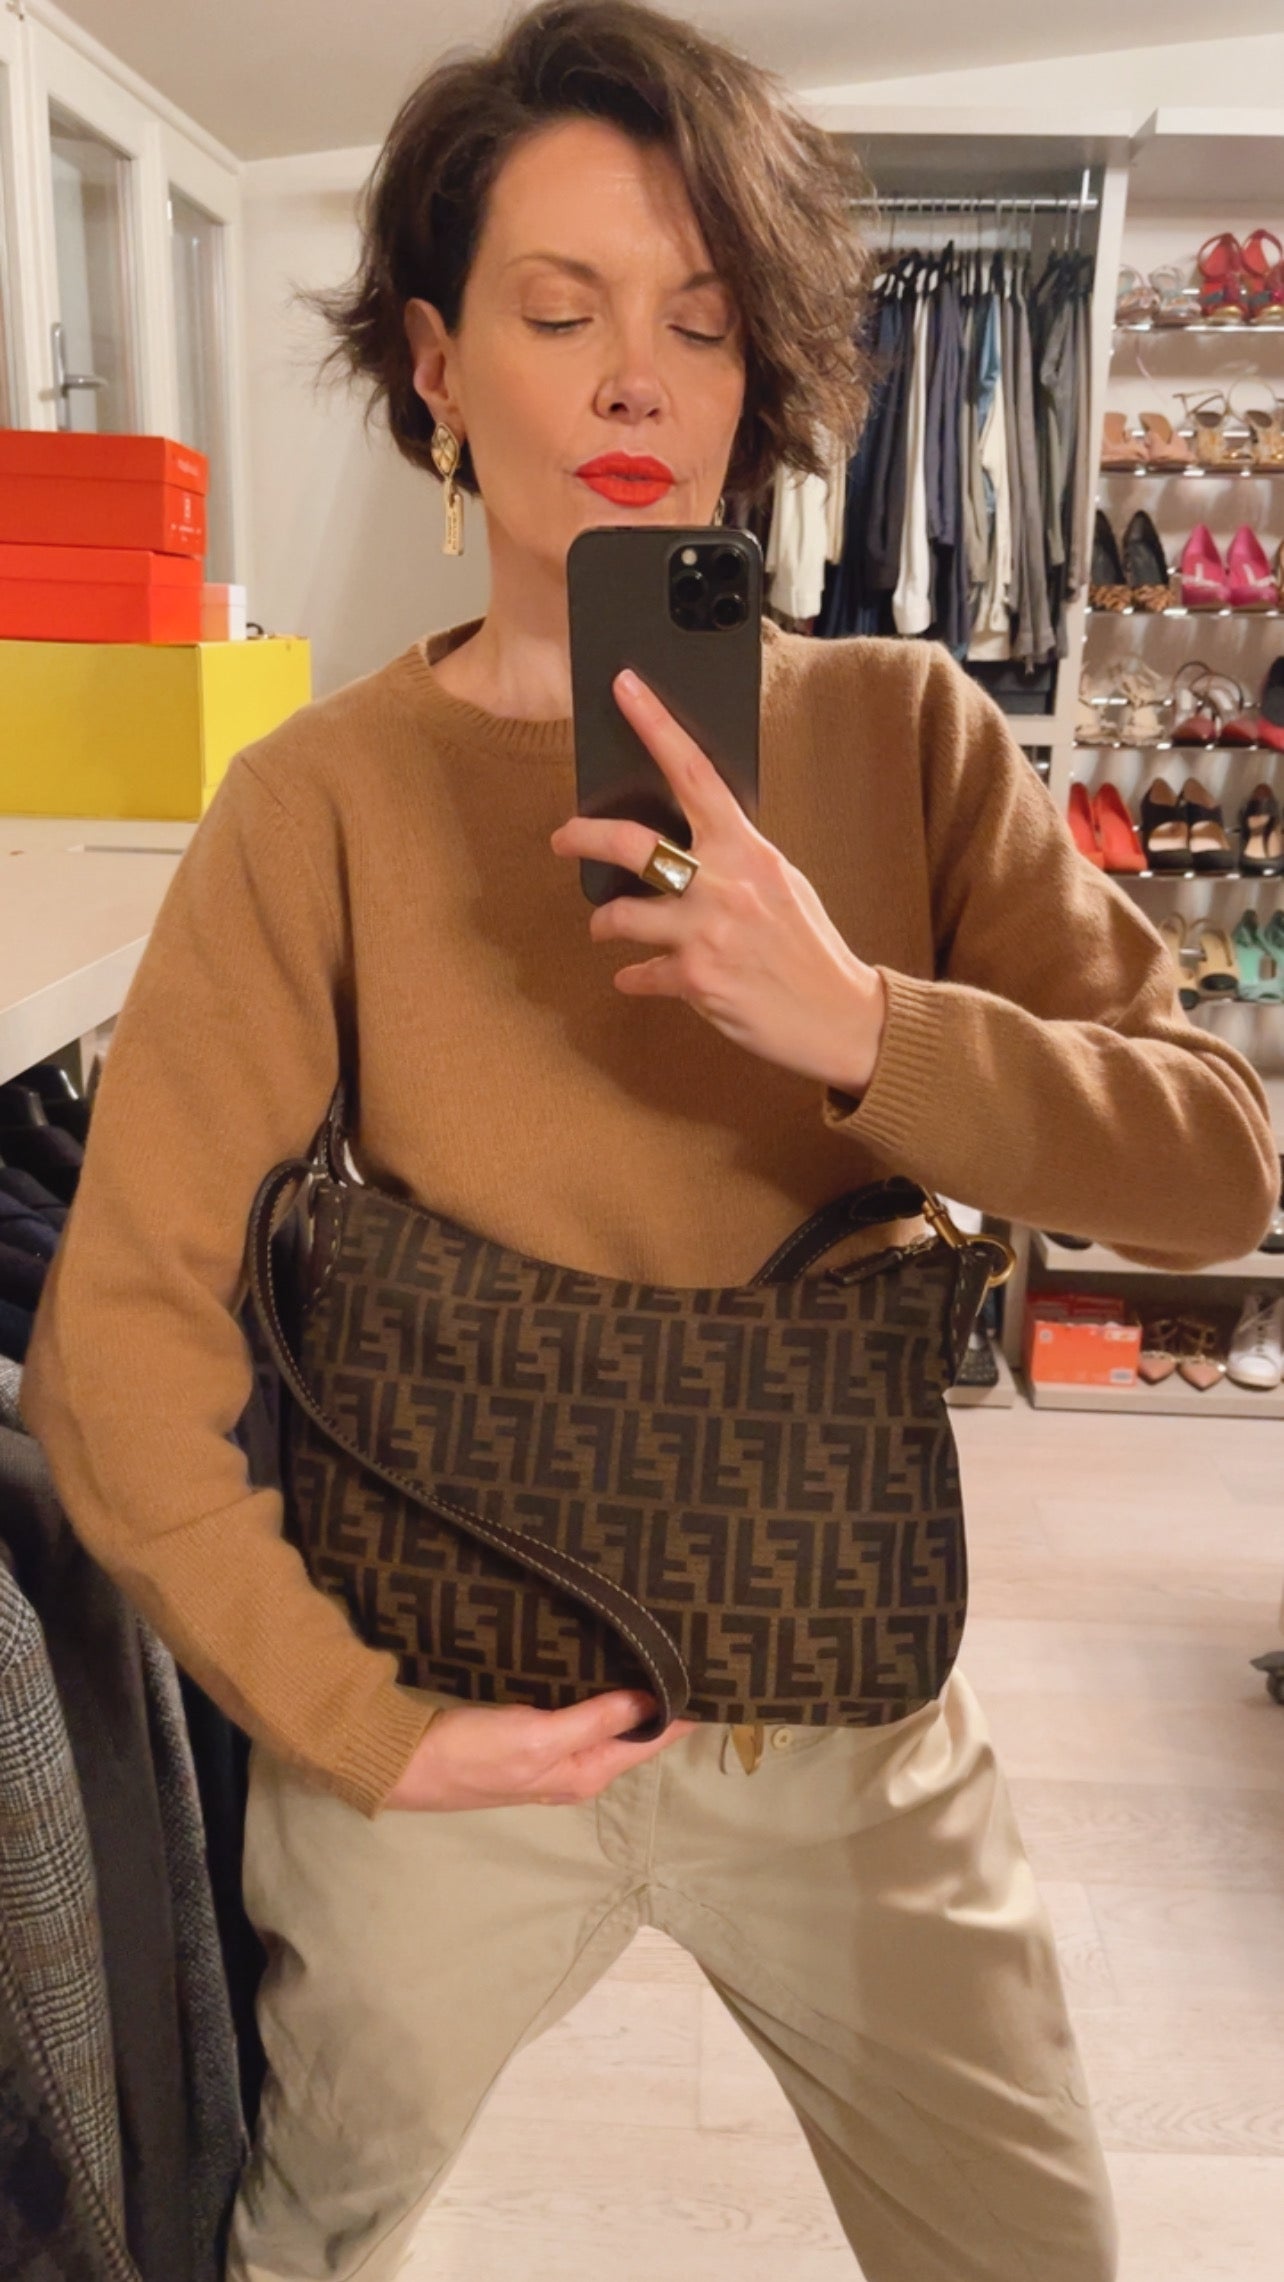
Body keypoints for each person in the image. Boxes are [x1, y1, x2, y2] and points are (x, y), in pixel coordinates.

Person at [20, 5, 1280, 2280]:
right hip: (443, 1725)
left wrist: (863, 1024)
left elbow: (1219, 1166)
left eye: (699, 323)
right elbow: (118, 1348)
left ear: (756, 379)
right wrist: (348, 1722)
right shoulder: (315, 804)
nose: (634, 382)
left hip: (845, 1724)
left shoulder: (904, 736)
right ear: (435, 362)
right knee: (311, 2245)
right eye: (558, 310)